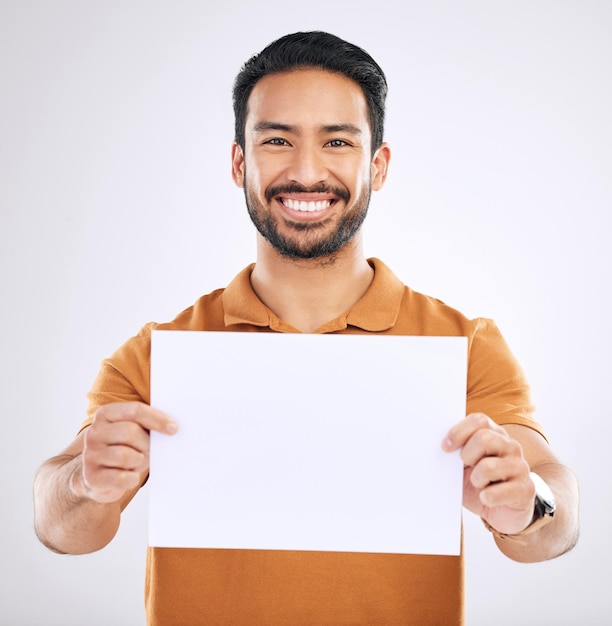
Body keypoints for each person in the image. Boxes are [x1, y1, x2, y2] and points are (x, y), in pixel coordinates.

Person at [34, 31, 579, 625]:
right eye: (276, 140)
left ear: (379, 164)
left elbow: (557, 517)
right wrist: (86, 486)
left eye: (337, 141)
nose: (306, 171)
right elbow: (60, 528)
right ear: (240, 162)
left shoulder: (463, 343)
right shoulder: (158, 352)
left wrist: (528, 505)